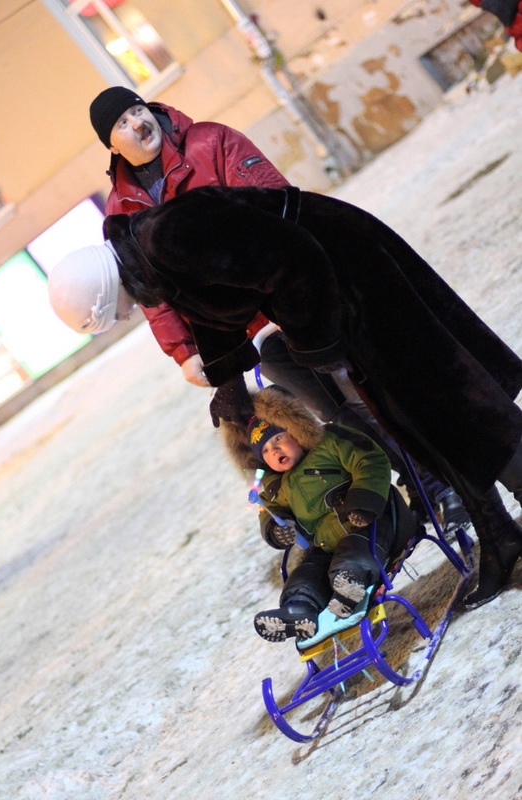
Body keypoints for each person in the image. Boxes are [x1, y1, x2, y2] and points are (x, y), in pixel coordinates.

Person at [47, 184, 522, 608]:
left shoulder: (167, 240)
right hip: (336, 284)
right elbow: (218, 304)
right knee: (417, 419)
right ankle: (498, 533)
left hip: (353, 274)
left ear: (105, 291)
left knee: (441, 401)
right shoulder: (154, 253)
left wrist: (315, 341)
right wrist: (229, 378)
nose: (126, 315)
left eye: (115, 311)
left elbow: (293, 259)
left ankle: (506, 516)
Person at [88, 86, 469, 532]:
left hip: (295, 297)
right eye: (123, 123)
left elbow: (275, 203)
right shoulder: (120, 208)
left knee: (370, 391)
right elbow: (151, 291)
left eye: (138, 110)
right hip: (246, 332)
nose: (138, 124)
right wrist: (184, 350)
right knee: (334, 413)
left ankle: (451, 480)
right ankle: (421, 482)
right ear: (112, 146)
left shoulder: (211, 141)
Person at [221, 385, 419, 642]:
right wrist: (276, 528)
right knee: (306, 572)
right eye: (266, 451)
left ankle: (350, 585)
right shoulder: (274, 486)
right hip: (325, 546)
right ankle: (298, 609)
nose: (274, 451)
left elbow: (369, 460)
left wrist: (363, 501)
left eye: (278, 439)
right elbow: (270, 512)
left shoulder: (329, 443)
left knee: (352, 553)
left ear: (295, 429)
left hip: (374, 523)